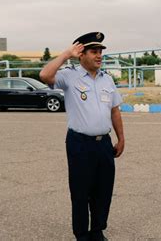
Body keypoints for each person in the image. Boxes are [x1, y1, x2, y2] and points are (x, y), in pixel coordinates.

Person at [39, 32, 124, 241]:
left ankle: (97, 231)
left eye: (100, 52)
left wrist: (121, 138)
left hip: (103, 143)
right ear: (81, 54)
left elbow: (114, 110)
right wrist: (66, 54)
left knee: (103, 191)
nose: (99, 56)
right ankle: (82, 234)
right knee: (80, 192)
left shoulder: (108, 80)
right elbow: (45, 76)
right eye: (94, 51)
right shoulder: (70, 76)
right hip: (80, 144)